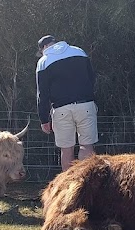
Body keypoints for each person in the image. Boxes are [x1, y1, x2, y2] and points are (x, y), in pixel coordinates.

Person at [36, 35, 99, 171]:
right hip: (85, 104)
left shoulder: (44, 61)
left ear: (44, 48)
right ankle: (86, 182)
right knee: (87, 146)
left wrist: (44, 119)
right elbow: (92, 78)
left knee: (66, 150)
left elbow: (43, 94)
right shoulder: (79, 51)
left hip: (61, 108)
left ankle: (69, 186)